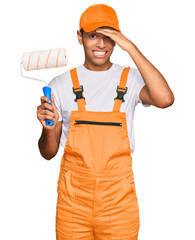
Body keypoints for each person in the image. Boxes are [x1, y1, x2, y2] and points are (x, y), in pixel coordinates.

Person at [37, 4, 174, 240]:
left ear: (117, 39)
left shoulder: (130, 79)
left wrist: (131, 48)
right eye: (93, 36)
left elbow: (165, 99)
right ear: (80, 37)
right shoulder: (59, 84)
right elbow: (48, 153)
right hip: (73, 204)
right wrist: (48, 129)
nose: (101, 45)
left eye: (108, 37)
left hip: (118, 204)